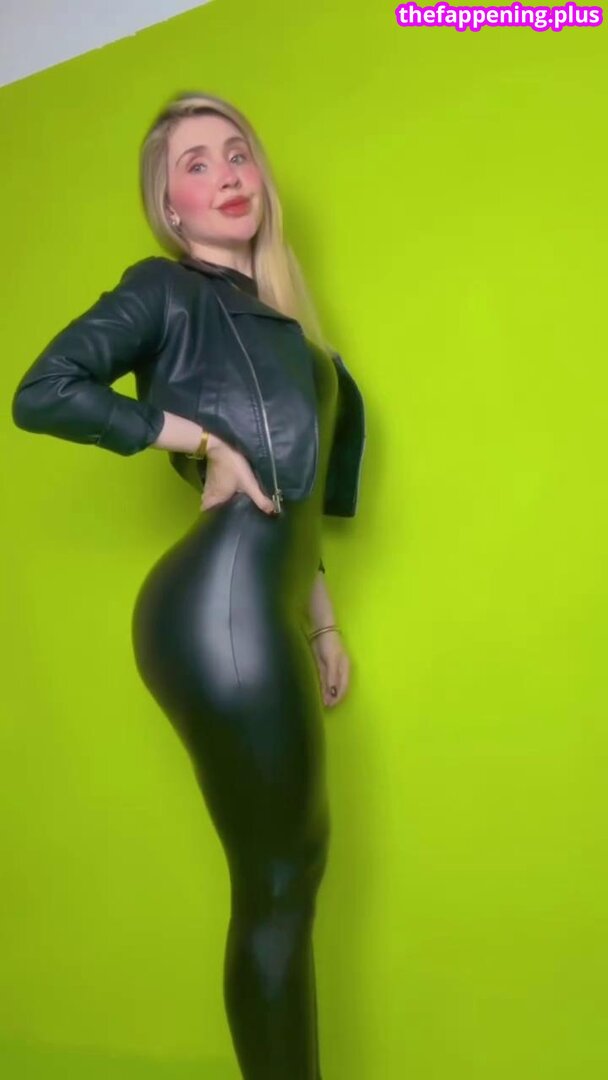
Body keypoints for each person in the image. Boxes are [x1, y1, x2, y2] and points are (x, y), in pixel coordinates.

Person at [11, 91, 366, 1080]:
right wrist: (195, 438)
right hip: (216, 605)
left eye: (236, 152)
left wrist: (321, 622)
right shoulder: (166, 291)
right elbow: (43, 391)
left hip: (261, 601)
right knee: (279, 878)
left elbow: (291, 492)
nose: (226, 175)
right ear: (170, 206)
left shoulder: (288, 328)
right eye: (196, 164)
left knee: (293, 871)